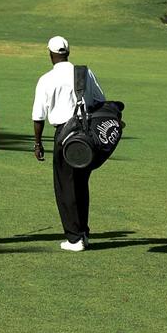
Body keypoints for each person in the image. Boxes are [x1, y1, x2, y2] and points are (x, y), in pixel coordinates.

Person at [31, 35, 105, 252]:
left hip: (63, 135)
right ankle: (83, 233)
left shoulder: (46, 79)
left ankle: (74, 239)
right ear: (68, 52)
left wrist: (37, 144)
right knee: (81, 184)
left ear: (51, 54)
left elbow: (38, 116)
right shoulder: (85, 72)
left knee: (65, 186)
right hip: (85, 136)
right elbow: (100, 100)